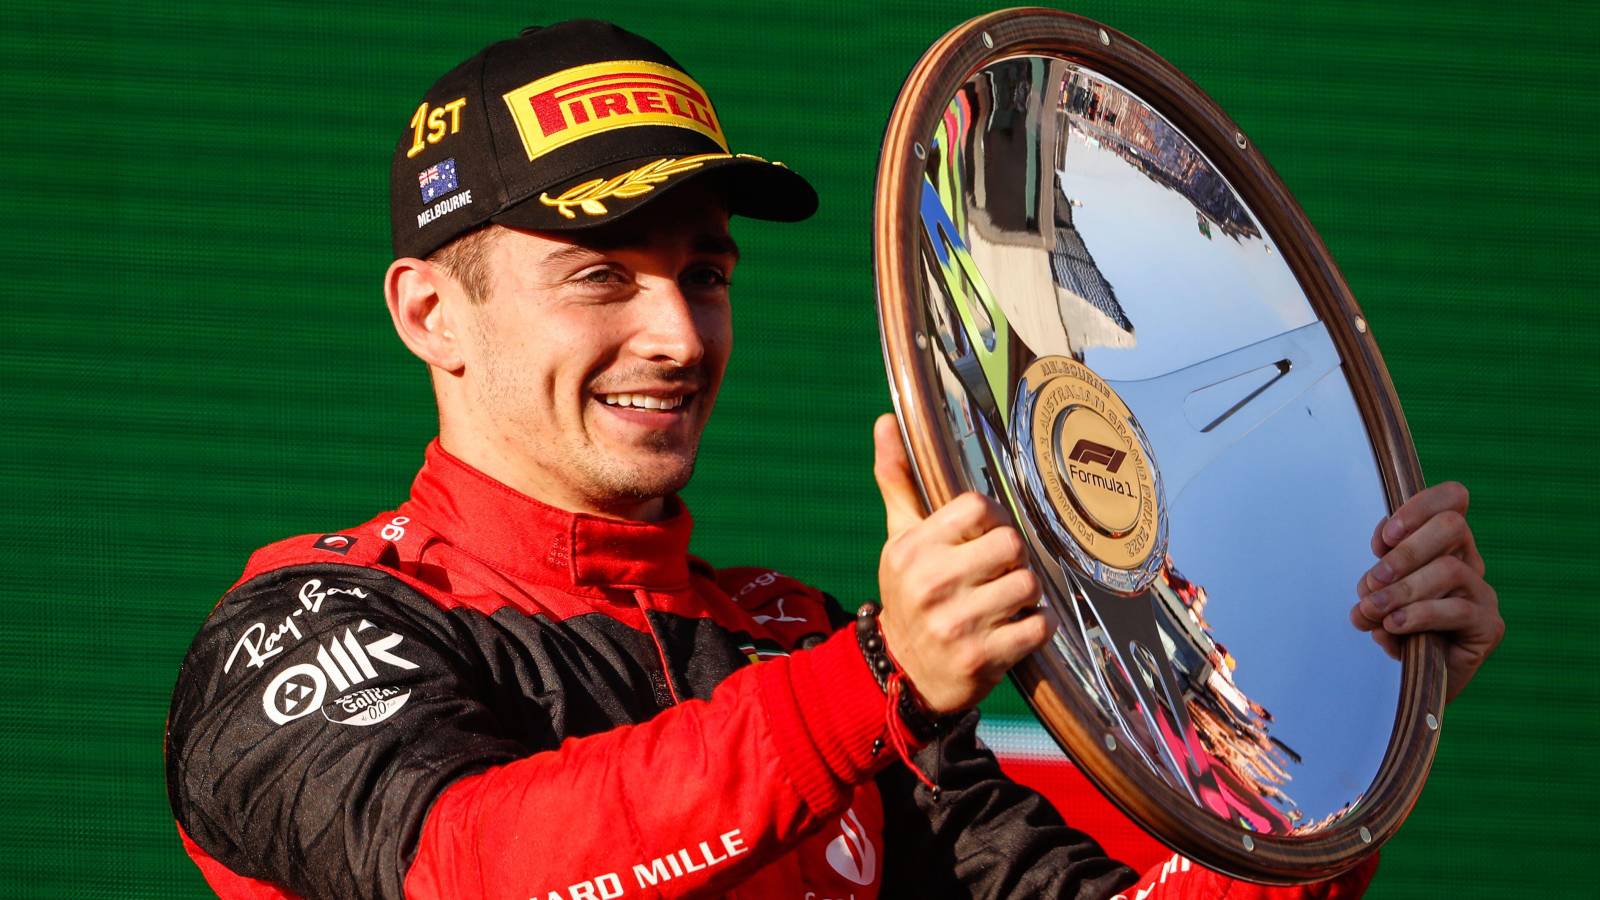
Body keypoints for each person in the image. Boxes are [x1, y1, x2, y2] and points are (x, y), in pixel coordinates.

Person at [165, 20, 1503, 900]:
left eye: (704, 274)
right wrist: (872, 683)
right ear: (428, 313)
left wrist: (1346, 742)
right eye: (598, 277)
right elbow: (465, 868)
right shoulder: (312, 624)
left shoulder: (787, 646)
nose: (677, 335)